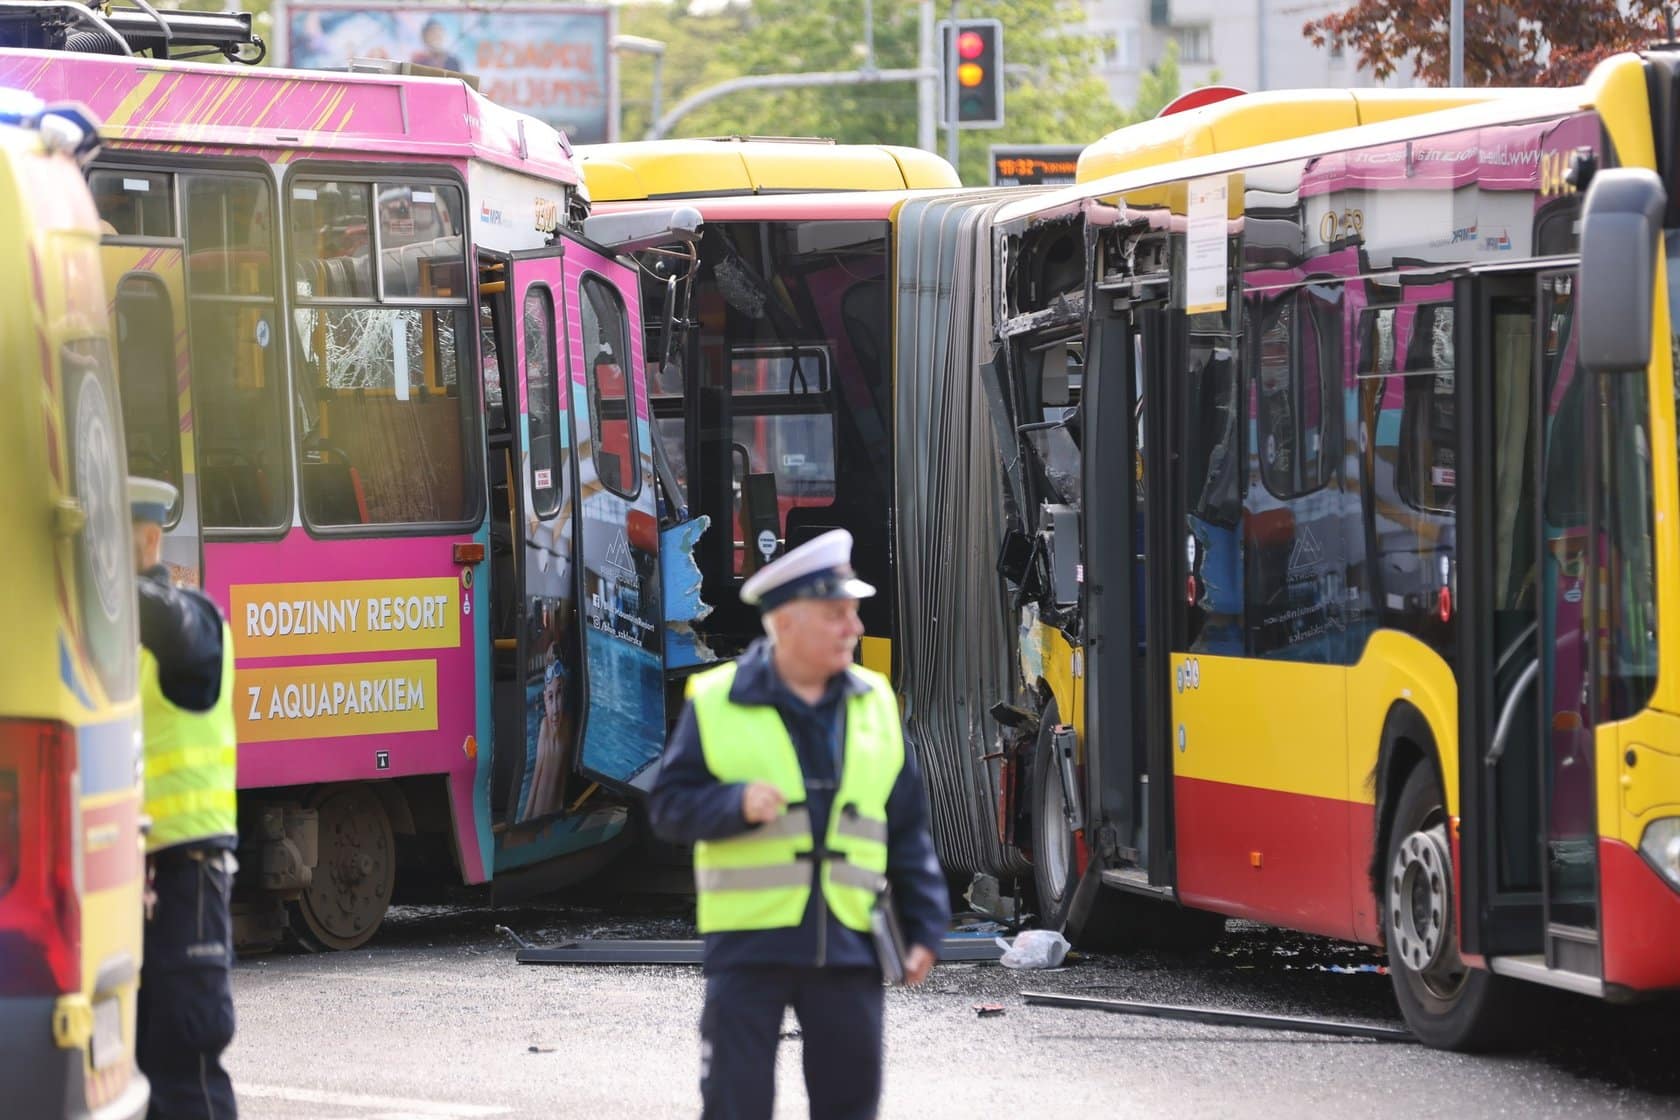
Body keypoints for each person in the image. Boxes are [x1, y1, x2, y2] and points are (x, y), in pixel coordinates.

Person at [650, 529, 949, 1120]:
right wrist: (733, 806)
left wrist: (924, 928)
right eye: (836, 614)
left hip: (848, 943)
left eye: (853, 614)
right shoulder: (715, 700)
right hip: (749, 944)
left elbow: (907, 830)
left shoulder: (876, 702)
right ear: (785, 622)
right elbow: (668, 808)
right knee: (736, 1104)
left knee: (850, 1103)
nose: (854, 629)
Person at [131, 477, 239, 1120]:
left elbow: (167, 617)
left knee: (184, 1060)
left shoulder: (193, 620)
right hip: (134, 877)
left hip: (187, 875)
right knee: (145, 1065)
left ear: (147, 540)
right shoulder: (124, 647)